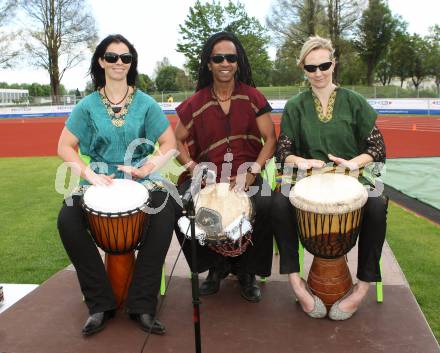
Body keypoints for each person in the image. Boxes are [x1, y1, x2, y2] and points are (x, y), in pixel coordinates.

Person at [57, 34, 177, 336]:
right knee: (67, 219)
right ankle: (100, 303)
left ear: (131, 62)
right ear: (101, 61)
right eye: (112, 57)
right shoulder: (86, 106)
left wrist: (147, 167)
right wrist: (89, 175)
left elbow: (169, 142)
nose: (119, 63)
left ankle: (143, 304)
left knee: (166, 212)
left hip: (142, 181)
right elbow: (65, 147)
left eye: (125, 57)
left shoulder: (146, 103)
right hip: (100, 182)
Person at [271, 36, 387, 320]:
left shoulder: (354, 102)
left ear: (333, 63)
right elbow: (282, 152)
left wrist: (352, 164)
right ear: (303, 69)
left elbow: (377, 149)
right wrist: (303, 162)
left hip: (352, 179)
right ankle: (297, 285)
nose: (318, 73)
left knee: (377, 203)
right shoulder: (296, 106)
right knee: (277, 202)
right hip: (307, 180)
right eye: (311, 68)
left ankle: (362, 289)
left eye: (324, 65)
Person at [174, 31, 276, 303]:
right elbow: (177, 142)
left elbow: (271, 140)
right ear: (209, 63)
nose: (224, 63)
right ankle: (213, 268)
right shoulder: (195, 103)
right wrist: (194, 167)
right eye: (218, 58)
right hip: (209, 177)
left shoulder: (253, 98)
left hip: (245, 176)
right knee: (181, 204)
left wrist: (254, 171)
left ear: (238, 62)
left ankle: (247, 272)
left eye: (230, 58)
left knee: (267, 205)